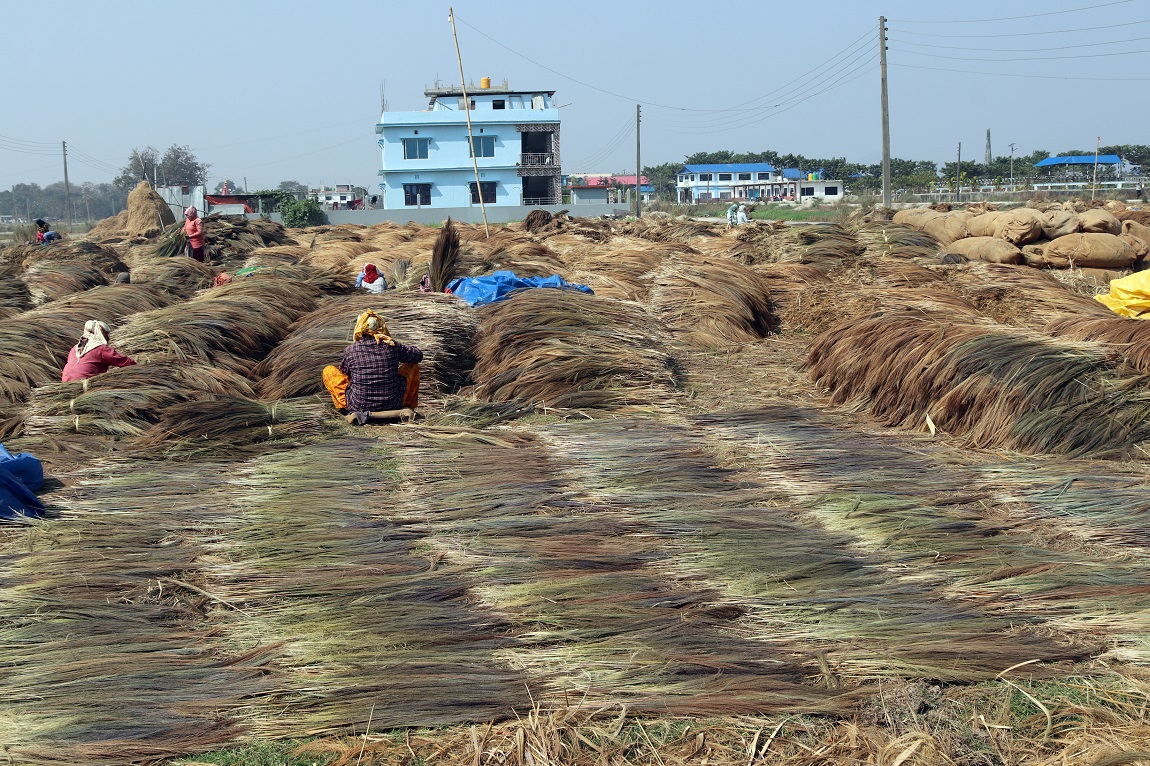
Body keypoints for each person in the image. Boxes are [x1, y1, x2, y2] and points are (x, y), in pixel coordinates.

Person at [322, 310, 422, 425]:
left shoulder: (351, 350)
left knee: (329, 371)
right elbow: (418, 356)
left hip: (357, 405)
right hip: (393, 404)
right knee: (412, 367)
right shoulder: (392, 346)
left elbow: (344, 372)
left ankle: (343, 408)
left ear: (360, 328)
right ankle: (407, 407)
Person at [61, 320, 136, 382]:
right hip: (84, 384)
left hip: (66, 383)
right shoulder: (100, 349)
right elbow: (125, 362)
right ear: (101, 334)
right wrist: (139, 368)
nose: (109, 337)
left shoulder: (75, 348)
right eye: (107, 334)